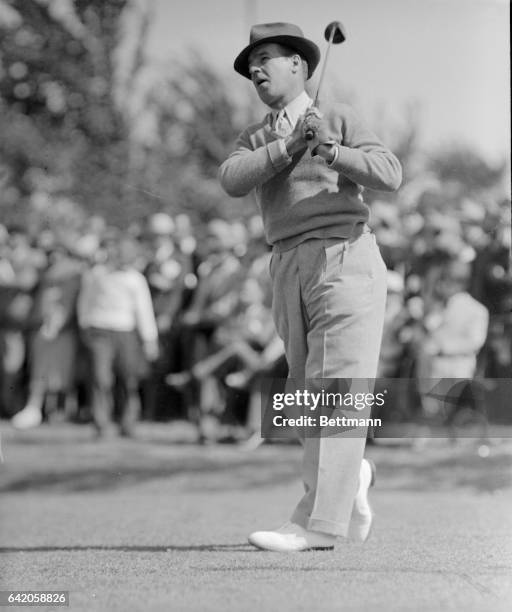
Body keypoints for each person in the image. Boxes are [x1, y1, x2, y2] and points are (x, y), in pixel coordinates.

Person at [219, 23, 402, 551]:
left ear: (299, 65)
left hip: (345, 254)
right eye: (252, 63)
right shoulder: (255, 136)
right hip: (287, 265)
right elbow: (233, 179)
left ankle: (317, 524)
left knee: (337, 387)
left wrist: (332, 150)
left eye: (268, 58)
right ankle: (353, 477)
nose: (256, 69)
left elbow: (389, 173)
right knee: (306, 392)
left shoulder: (337, 116)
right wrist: (285, 147)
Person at [77, 234, 159, 438]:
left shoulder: (135, 279)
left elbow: (143, 310)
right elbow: (85, 302)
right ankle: (101, 423)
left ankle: (128, 423)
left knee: (128, 379)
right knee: (100, 378)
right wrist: (85, 325)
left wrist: (150, 339)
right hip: (100, 331)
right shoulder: (97, 274)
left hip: (125, 332)